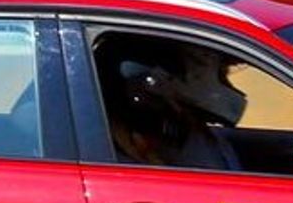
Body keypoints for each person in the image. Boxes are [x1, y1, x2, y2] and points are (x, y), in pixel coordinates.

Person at [101, 34, 249, 169]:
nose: (224, 83)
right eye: (219, 73)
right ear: (162, 79)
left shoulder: (185, 132)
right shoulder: (135, 155)